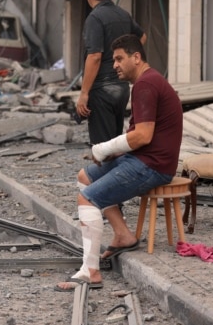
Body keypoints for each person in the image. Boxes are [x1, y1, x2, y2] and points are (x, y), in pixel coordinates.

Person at [55, 35, 183, 292]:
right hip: (144, 157)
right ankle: (123, 234)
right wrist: (111, 153)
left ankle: (90, 271)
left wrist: (104, 148)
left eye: (119, 59)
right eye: (113, 60)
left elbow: (143, 136)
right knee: (85, 177)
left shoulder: (146, 85)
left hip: (152, 165)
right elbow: (142, 136)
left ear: (136, 57)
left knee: (87, 199)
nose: (114, 65)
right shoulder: (147, 81)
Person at [76, 0, 147, 145]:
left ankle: (104, 172)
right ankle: (115, 172)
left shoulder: (95, 18)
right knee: (114, 144)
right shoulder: (123, 14)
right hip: (121, 89)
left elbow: (94, 56)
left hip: (102, 90)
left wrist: (84, 93)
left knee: (102, 148)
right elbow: (142, 37)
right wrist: (128, 60)